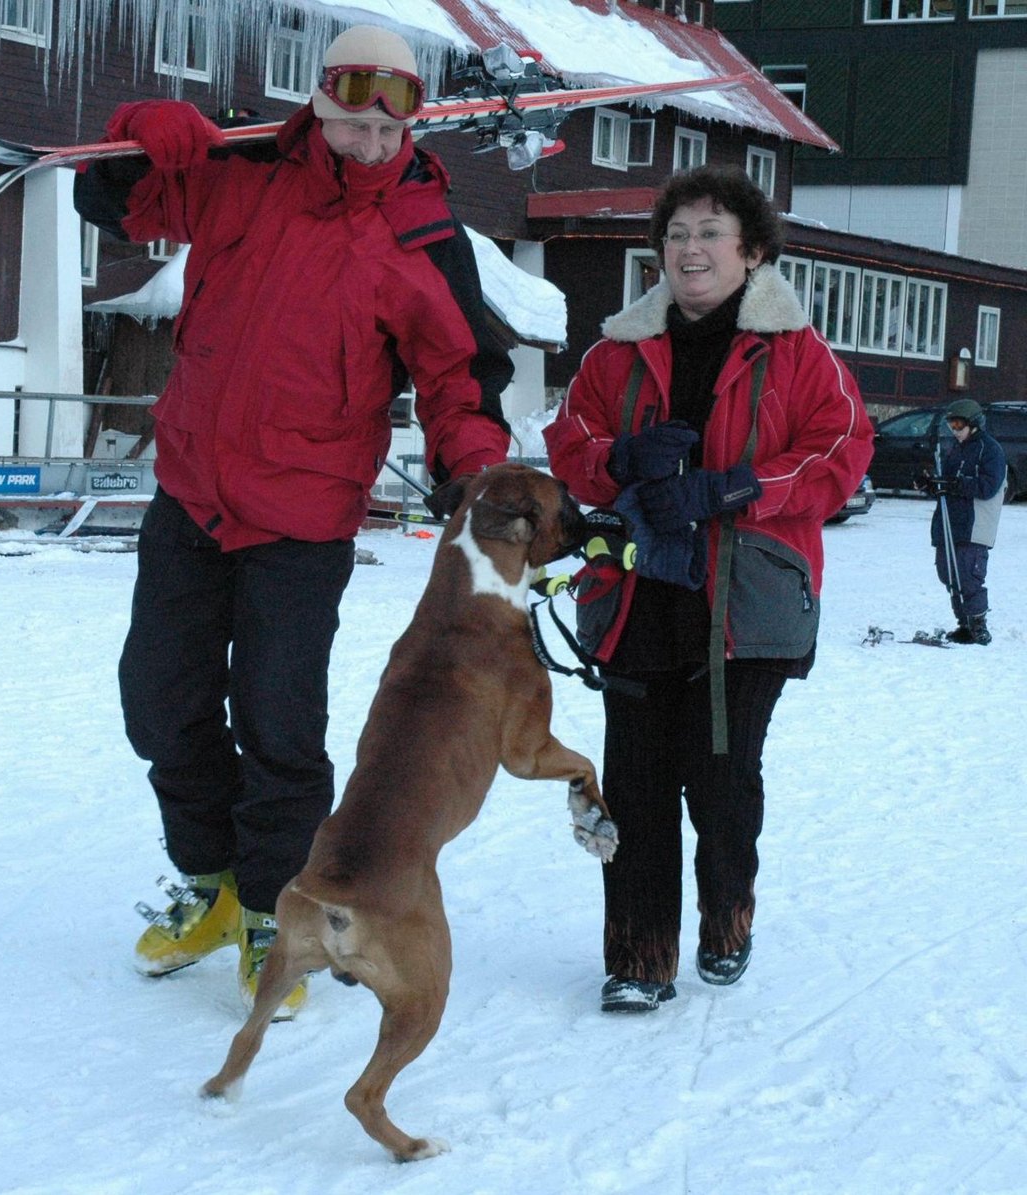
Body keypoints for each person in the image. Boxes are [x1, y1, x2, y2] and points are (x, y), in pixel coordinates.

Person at [74, 25, 511, 1017]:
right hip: (190, 490)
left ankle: (279, 908)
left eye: (385, 114)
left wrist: (476, 475)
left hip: (302, 523)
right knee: (158, 696)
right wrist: (146, 136)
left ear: (412, 116)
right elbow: (110, 197)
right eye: (349, 109)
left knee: (277, 720)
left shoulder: (424, 239)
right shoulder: (244, 177)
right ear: (319, 99)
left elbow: (461, 379)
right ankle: (211, 880)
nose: (364, 134)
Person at [544, 166, 873, 1013]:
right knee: (637, 784)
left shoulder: (797, 349)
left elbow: (841, 449)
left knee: (721, 781)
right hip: (638, 599)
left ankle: (727, 916)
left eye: (710, 233)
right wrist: (616, 460)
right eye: (677, 234)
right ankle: (640, 956)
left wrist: (736, 488)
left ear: (752, 249)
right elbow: (570, 437)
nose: (690, 249)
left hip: (746, 602)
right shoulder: (614, 352)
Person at [913, 398, 1006, 645]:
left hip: (973, 525)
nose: (954, 430)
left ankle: (978, 625)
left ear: (973, 424)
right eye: (951, 425)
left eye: (958, 424)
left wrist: (955, 484)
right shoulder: (956, 449)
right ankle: (963, 623)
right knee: (948, 573)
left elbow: (988, 487)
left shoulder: (990, 450)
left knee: (968, 574)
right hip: (948, 523)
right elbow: (946, 485)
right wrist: (931, 484)